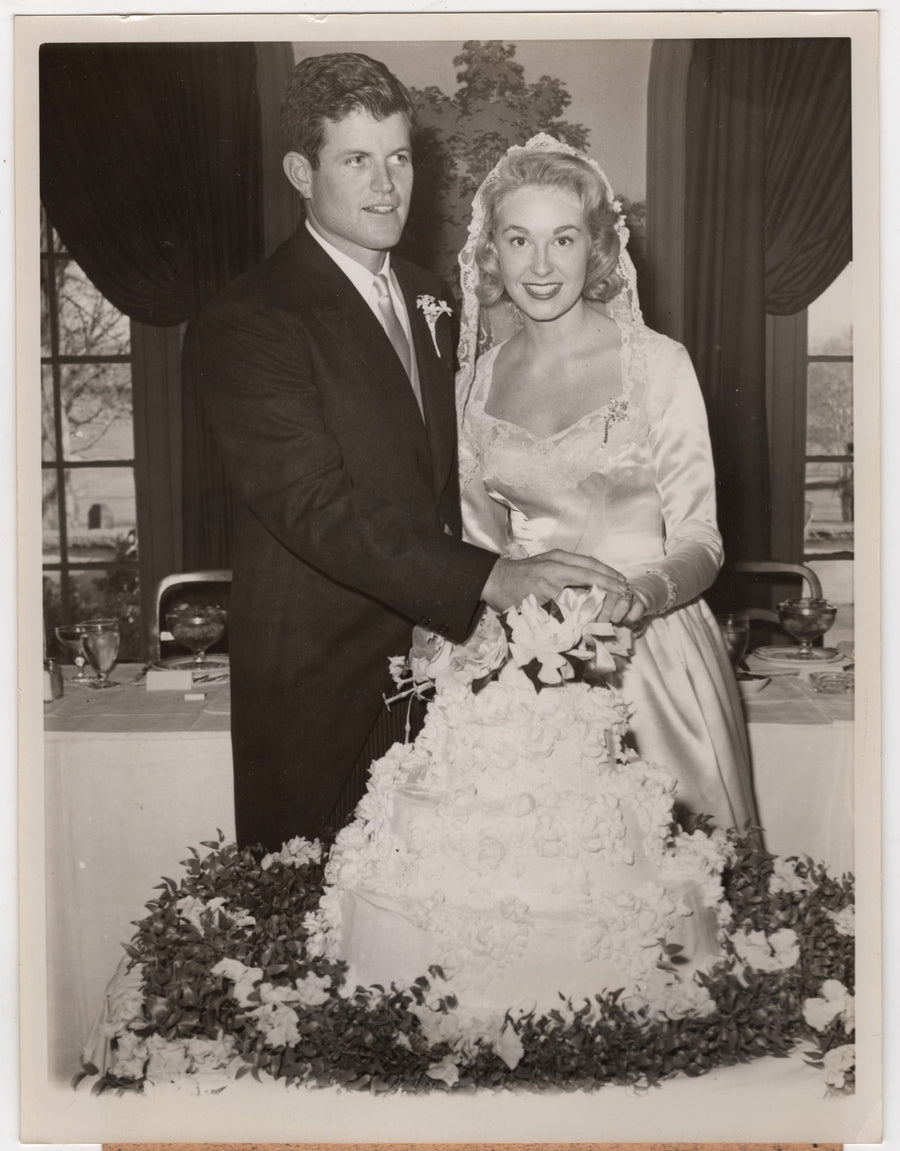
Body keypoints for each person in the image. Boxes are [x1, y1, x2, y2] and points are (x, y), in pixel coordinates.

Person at [190, 59, 627, 850]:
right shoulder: (248, 319)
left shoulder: (436, 295)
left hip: (448, 675)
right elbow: (313, 506)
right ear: (301, 171)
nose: (388, 184)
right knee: (317, 940)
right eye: (356, 160)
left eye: (399, 157)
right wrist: (489, 578)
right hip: (320, 688)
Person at [454, 135, 758, 833]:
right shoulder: (471, 386)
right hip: (524, 668)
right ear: (491, 253)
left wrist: (642, 594)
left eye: (562, 239)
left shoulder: (659, 365)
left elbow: (701, 539)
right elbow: (481, 548)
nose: (539, 265)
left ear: (594, 248)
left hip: (652, 660)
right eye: (518, 239)